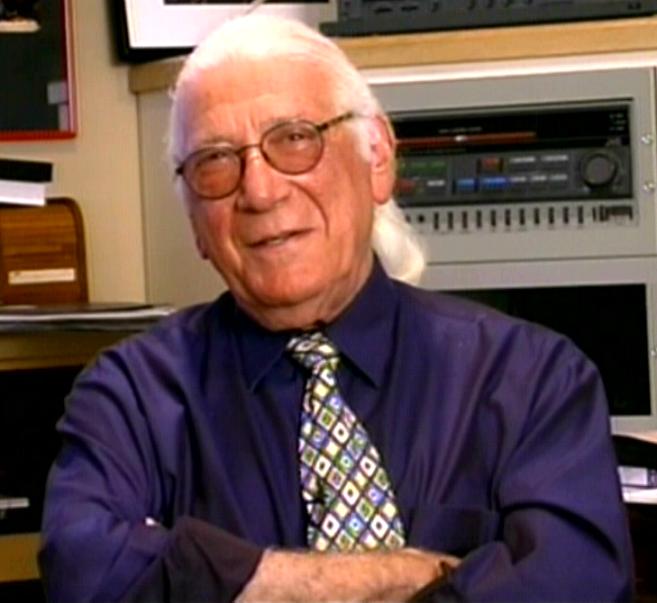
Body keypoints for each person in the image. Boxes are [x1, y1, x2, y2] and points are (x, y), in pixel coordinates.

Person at [39, 14, 634, 603]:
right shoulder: (131, 397)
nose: (260, 192)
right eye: (215, 162)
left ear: (378, 160)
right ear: (195, 222)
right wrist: (388, 578)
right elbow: (83, 572)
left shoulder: (533, 380)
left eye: (295, 139)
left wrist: (209, 576)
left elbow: (577, 583)